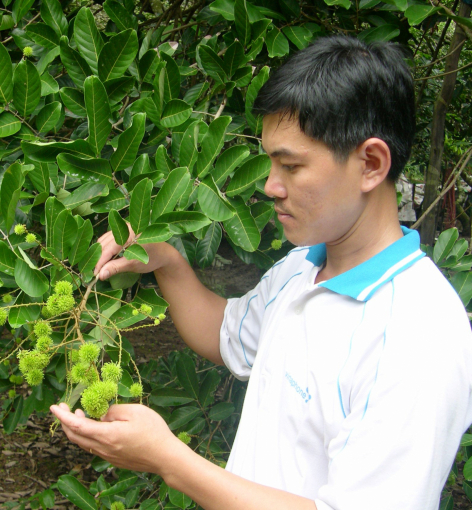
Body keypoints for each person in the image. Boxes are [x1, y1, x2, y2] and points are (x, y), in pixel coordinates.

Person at [50, 35, 472, 510]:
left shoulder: (418, 334)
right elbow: (226, 333)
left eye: (291, 166)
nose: (271, 186)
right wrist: (165, 260)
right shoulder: (301, 266)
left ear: (371, 164)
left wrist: (171, 460)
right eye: (271, 162)